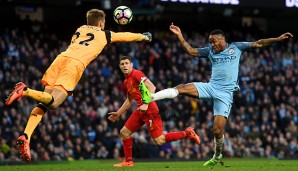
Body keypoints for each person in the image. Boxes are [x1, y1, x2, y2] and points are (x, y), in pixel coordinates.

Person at [5, 9, 153, 163]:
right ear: (101, 23)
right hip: (74, 65)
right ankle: (25, 90)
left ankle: (26, 135)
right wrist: (143, 36)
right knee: (54, 103)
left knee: (45, 102)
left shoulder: (80, 29)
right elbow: (124, 36)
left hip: (60, 59)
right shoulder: (104, 34)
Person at [140, 24, 293, 168]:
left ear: (222, 39)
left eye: (213, 42)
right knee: (182, 88)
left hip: (225, 94)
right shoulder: (210, 51)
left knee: (217, 130)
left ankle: (217, 156)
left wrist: (277, 39)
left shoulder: (236, 48)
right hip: (211, 87)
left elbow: (259, 43)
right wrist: (180, 35)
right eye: (210, 42)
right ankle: (151, 97)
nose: (212, 45)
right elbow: (190, 51)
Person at [108, 56, 201, 167]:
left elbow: (152, 87)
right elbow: (129, 100)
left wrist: (146, 104)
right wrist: (118, 113)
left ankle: (188, 133)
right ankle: (128, 161)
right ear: (119, 67)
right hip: (141, 110)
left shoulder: (136, 74)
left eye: (126, 63)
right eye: (122, 64)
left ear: (131, 64)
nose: (124, 66)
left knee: (159, 140)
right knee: (124, 132)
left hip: (150, 109)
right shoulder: (126, 81)